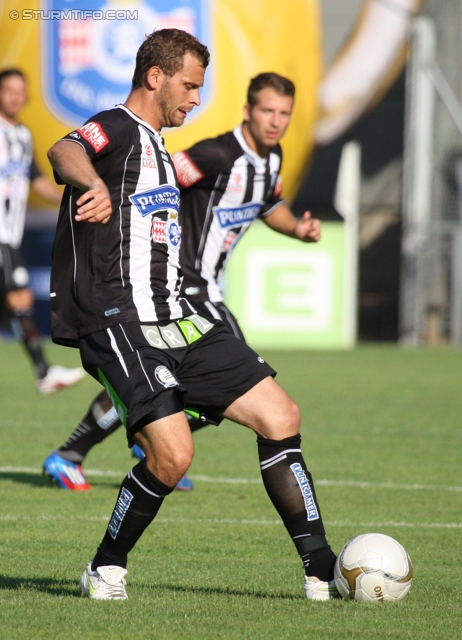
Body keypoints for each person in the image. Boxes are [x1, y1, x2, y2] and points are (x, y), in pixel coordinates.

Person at [46, 28, 338, 601]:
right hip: (118, 318)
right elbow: (65, 149)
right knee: (174, 455)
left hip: (179, 315)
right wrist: (91, 186)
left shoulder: (156, 144)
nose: (196, 98)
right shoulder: (121, 128)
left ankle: (323, 568)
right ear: (155, 76)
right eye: (189, 85)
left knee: (281, 414)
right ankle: (105, 568)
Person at [42, 71, 321, 491]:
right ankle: (146, 443)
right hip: (184, 283)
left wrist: (296, 229)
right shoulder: (215, 155)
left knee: (158, 376)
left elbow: (270, 203)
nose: (276, 121)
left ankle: (103, 448)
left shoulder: (272, 159)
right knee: (235, 378)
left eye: (284, 113)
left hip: (207, 284)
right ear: (248, 111)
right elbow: (162, 177)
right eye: (267, 110)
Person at [0, 68, 86, 394]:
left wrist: (74, 199)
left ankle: (43, 370)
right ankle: (43, 371)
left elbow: (36, 180)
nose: (15, 97)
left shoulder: (22, 134)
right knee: (19, 297)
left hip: (10, 234)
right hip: (1, 236)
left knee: (16, 302)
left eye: (20, 91)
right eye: (9, 90)